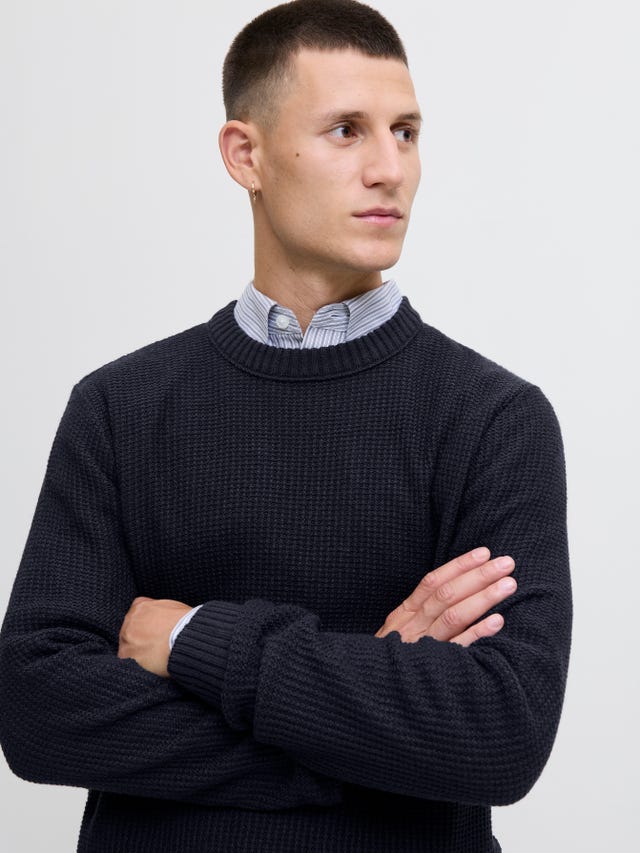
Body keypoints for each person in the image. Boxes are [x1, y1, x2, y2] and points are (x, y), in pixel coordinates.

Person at [0, 1, 571, 851]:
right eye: (347, 130)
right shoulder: (121, 408)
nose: (390, 169)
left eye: (406, 132)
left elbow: (500, 732)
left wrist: (193, 639)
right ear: (246, 155)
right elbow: (39, 714)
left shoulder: (493, 418)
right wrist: (364, 709)